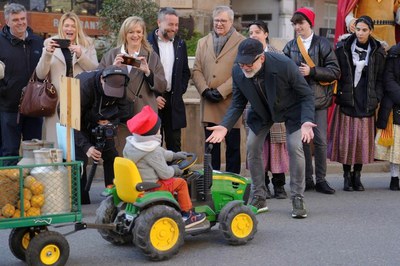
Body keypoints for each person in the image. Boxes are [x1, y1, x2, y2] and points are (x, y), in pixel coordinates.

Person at [206, 38, 315, 218]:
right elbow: (238, 103)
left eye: (249, 63)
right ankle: (259, 196)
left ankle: (297, 197)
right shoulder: (238, 71)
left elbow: (306, 95)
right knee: (252, 146)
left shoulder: (284, 65)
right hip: (261, 113)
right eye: (241, 63)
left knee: (295, 147)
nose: (245, 67)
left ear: (261, 59)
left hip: (291, 110)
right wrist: (225, 126)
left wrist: (306, 120)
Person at [283, 8, 340, 194]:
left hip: (319, 100)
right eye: (295, 23)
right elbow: (283, 73)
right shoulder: (290, 46)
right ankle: (307, 179)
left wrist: (312, 71)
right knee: (303, 141)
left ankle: (321, 179)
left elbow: (335, 71)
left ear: (310, 23)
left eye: (301, 23)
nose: (298, 27)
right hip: (298, 101)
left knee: (321, 140)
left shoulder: (323, 44)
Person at [123, 105, 206, 228]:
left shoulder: (134, 145)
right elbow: (166, 174)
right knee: (181, 183)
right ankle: (188, 214)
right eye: (158, 128)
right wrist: (177, 169)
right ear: (152, 132)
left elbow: (159, 153)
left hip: (139, 183)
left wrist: (175, 155)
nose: (159, 129)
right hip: (153, 186)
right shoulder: (152, 151)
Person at [329, 16, 385, 191]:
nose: (360, 33)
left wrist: (377, 97)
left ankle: (357, 175)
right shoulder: (342, 47)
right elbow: (335, 71)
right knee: (347, 140)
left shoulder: (378, 50)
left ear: (371, 31)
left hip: (367, 100)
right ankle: (346, 175)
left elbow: (380, 78)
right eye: (358, 29)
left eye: (364, 30)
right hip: (348, 99)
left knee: (362, 141)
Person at [99, 16, 167, 156]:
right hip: (119, 115)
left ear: (143, 34)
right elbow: (98, 82)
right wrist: (113, 69)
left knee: (145, 160)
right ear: (125, 33)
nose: (135, 35)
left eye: (138, 31)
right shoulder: (112, 54)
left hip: (144, 115)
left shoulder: (151, 56)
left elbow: (162, 85)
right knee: (121, 157)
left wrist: (148, 72)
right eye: (131, 32)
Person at [192, 6, 245, 174]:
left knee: (233, 149)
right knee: (210, 149)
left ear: (231, 21)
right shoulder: (203, 42)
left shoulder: (241, 42)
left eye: (223, 20)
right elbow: (196, 70)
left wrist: (221, 91)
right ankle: (211, 183)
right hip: (209, 102)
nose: (219, 24)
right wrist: (205, 90)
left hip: (231, 103)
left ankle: (232, 184)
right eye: (216, 20)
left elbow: (242, 69)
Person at [36, 12, 98, 146]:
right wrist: (47, 54)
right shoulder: (49, 43)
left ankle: (77, 167)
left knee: (78, 143)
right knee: (58, 143)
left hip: (80, 98)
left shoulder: (87, 44)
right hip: (56, 99)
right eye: (67, 26)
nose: (69, 29)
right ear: (61, 27)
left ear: (78, 28)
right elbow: (40, 74)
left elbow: (95, 70)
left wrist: (81, 54)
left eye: (73, 26)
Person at [74, 65, 132, 204]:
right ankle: (81, 199)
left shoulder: (121, 85)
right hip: (80, 123)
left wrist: (112, 120)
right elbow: (69, 121)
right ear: (102, 79)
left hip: (103, 125)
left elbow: (125, 110)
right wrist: (87, 147)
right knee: (80, 160)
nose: (110, 94)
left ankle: (112, 196)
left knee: (111, 156)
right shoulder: (83, 86)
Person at [246, 20, 289, 199]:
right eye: (251, 33)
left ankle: (279, 185)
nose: (254, 35)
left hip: (276, 108)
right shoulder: (245, 55)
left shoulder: (277, 55)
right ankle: (262, 185)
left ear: (266, 34)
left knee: (277, 146)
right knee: (258, 148)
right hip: (255, 108)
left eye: (258, 31)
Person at [0, 3, 43, 157]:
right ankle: (6, 182)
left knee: (34, 152)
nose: (20, 22)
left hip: (35, 107)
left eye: (23, 18)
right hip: (8, 108)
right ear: (7, 21)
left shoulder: (38, 42)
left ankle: (32, 182)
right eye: (16, 19)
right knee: (9, 151)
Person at [148, 7, 191, 152]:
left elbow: (185, 71)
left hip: (174, 102)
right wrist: (153, 97)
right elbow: (139, 75)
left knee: (175, 146)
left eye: (176, 25)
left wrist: (179, 91)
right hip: (152, 102)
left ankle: (175, 175)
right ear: (159, 22)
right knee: (153, 146)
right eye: (170, 24)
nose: (174, 28)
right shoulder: (146, 44)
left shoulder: (180, 44)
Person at [375, 42, 400, 190]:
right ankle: (394, 177)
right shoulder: (393, 54)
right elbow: (388, 80)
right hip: (394, 105)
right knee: (396, 148)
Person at [336, 0, 400, 48]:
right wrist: (350, 20)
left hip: (389, 39)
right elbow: (348, 8)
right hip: (366, 38)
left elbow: (397, 8)